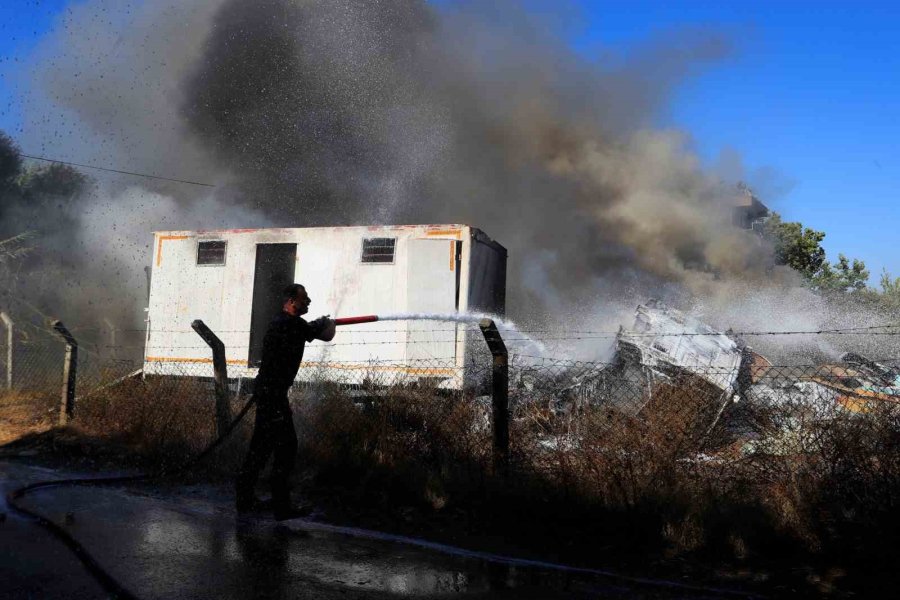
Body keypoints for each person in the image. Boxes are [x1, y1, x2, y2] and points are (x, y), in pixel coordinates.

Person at [236, 283, 335, 520]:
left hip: (271, 393)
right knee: (286, 448)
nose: (308, 301)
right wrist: (325, 323)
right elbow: (327, 334)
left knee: (261, 448)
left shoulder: (282, 322)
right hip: (272, 394)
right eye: (304, 299)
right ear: (291, 301)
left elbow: (315, 330)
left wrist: (320, 323)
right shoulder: (291, 324)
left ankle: (246, 499)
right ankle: (280, 507)